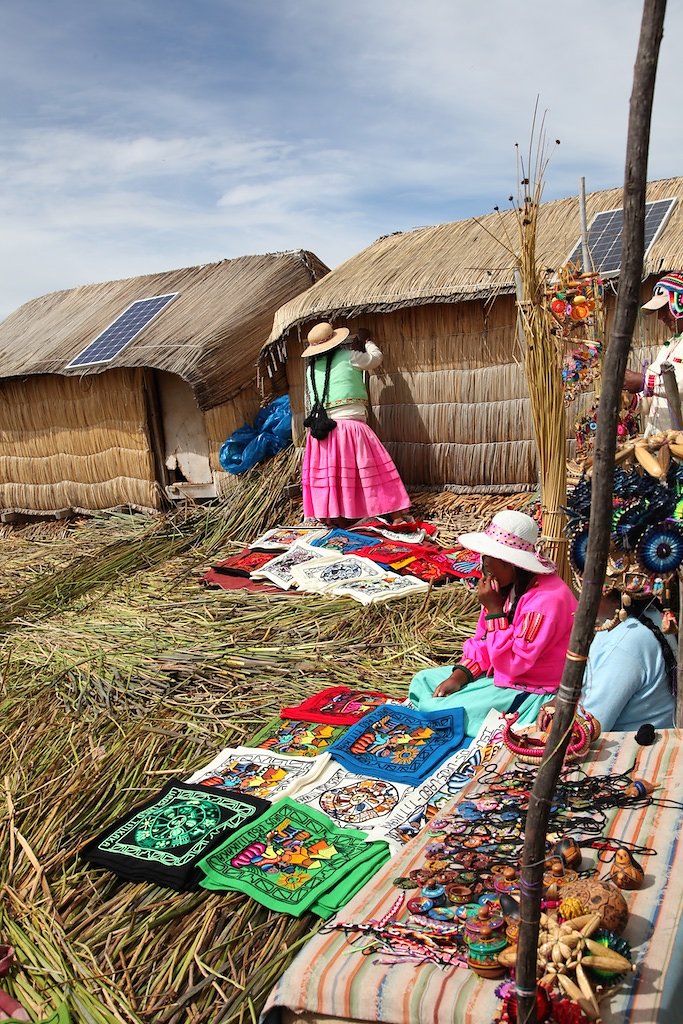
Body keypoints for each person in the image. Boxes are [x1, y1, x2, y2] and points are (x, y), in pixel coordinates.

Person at [409, 510, 578, 738]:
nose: (483, 567)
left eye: (489, 561)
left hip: (529, 687)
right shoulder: (510, 587)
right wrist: (461, 676)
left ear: (510, 564)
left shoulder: (545, 601)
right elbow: (484, 641)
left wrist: (496, 612)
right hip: (501, 674)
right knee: (422, 681)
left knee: (439, 710)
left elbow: (514, 663)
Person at [301, 321, 412, 527]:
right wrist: (368, 342)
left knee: (334, 476)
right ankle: (395, 515)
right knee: (372, 470)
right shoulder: (350, 356)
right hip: (351, 428)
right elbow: (375, 360)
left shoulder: (310, 370)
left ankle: (338, 517)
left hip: (322, 433)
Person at [579, 589, 675, 732]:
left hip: (631, 747)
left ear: (617, 600)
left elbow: (591, 725)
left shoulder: (626, 641)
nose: (582, 598)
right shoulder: (648, 615)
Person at [623, 273, 683, 434]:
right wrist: (630, 400)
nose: (660, 317)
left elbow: (681, 384)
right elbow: (655, 402)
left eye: (664, 308)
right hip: (663, 444)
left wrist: (644, 381)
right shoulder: (668, 347)